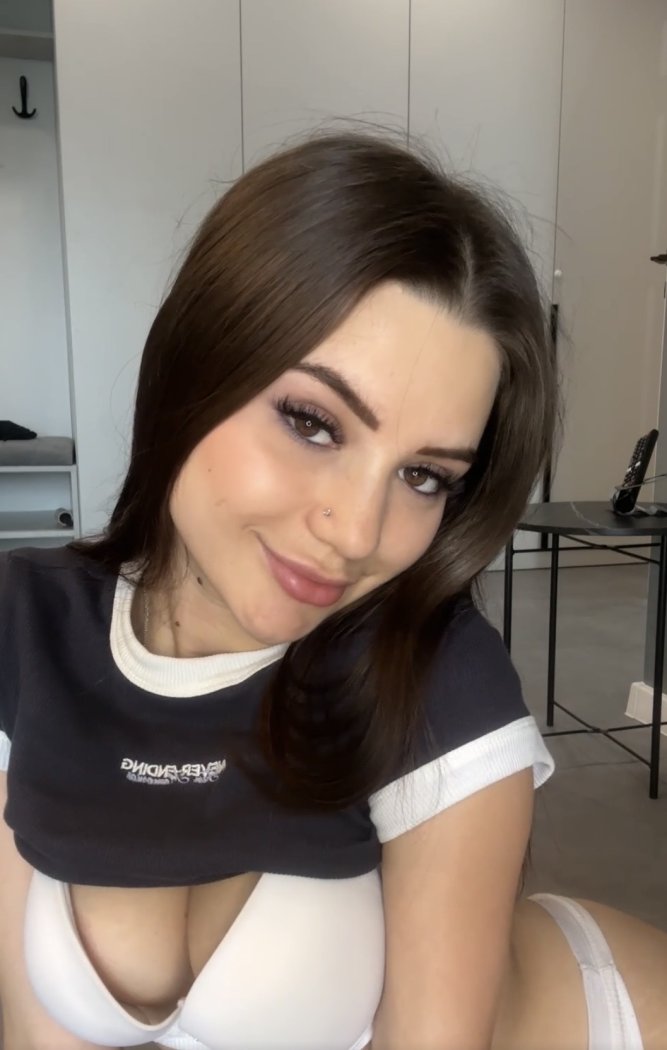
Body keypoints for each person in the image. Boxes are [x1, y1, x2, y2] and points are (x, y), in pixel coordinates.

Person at [0, 130, 665, 1050]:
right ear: (198, 359)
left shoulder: (437, 675)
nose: (356, 533)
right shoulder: (25, 628)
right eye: (313, 423)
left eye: (424, 476)